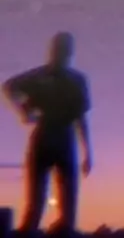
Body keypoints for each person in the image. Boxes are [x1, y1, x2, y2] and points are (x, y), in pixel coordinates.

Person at [2, 32, 92, 233]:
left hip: (59, 137)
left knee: (61, 201)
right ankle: (36, 230)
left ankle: (52, 230)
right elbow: (9, 87)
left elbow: (81, 117)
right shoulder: (52, 77)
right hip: (50, 136)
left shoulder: (71, 80)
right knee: (40, 199)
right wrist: (24, 109)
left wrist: (87, 152)